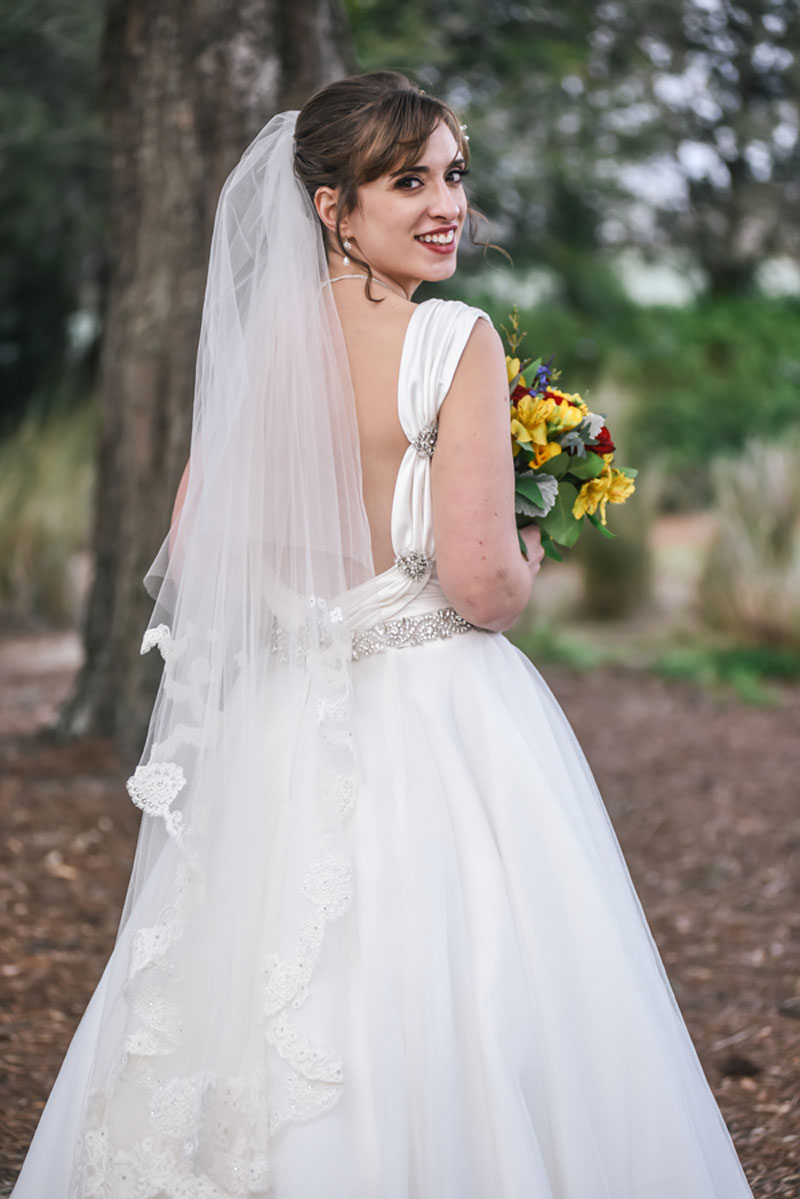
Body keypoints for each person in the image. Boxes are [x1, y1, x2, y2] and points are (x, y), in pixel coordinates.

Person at [11, 70, 753, 1198]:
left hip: (289, 721)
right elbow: (480, 589)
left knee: (257, 984)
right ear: (331, 207)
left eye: (452, 174)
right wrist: (527, 542)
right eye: (406, 181)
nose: (444, 203)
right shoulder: (453, 341)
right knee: (472, 986)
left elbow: (201, 553)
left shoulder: (259, 347)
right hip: (439, 709)